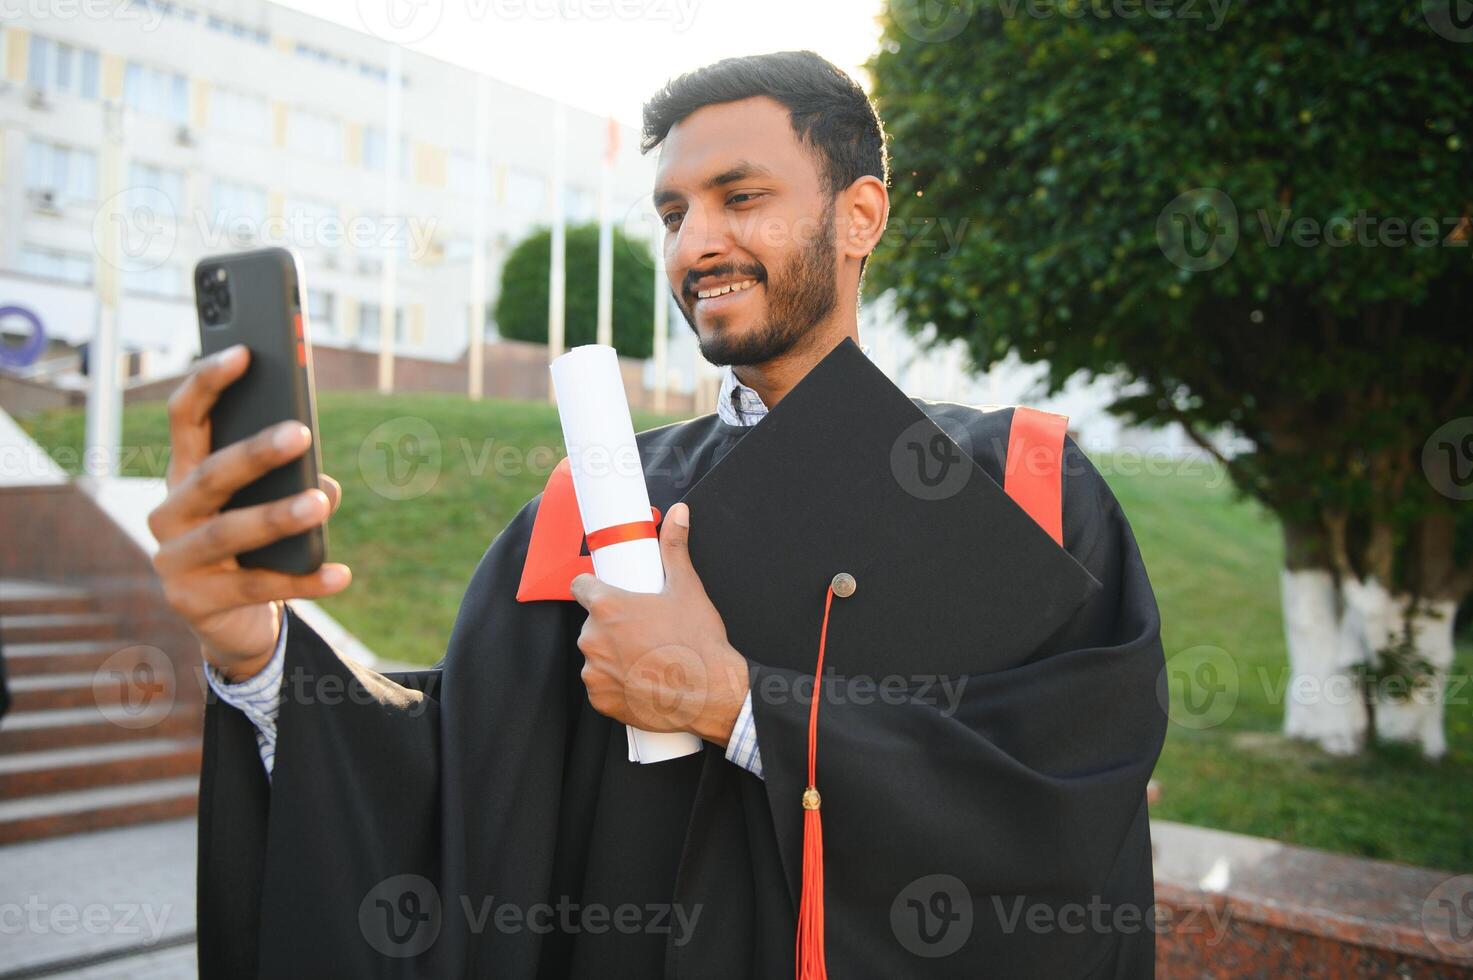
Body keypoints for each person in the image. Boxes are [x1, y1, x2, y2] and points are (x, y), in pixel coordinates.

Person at [151, 51, 1166, 978]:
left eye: (741, 197)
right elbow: (459, 797)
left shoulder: (1015, 479)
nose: (698, 242)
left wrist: (733, 706)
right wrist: (259, 658)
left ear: (861, 214)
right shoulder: (592, 505)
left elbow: (1066, 791)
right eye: (674, 212)